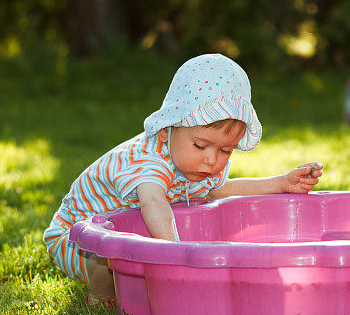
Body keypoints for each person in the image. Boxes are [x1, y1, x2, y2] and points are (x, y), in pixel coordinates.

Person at [43, 53, 323, 302]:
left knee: (133, 259)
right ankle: (102, 299)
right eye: (200, 146)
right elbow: (154, 202)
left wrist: (282, 183)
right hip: (75, 238)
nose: (211, 159)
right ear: (166, 130)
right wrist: (176, 255)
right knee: (105, 258)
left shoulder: (197, 162)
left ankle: (131, 283)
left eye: (225, 150)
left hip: (127, 229)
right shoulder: (148, 160)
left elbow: (219, 191)